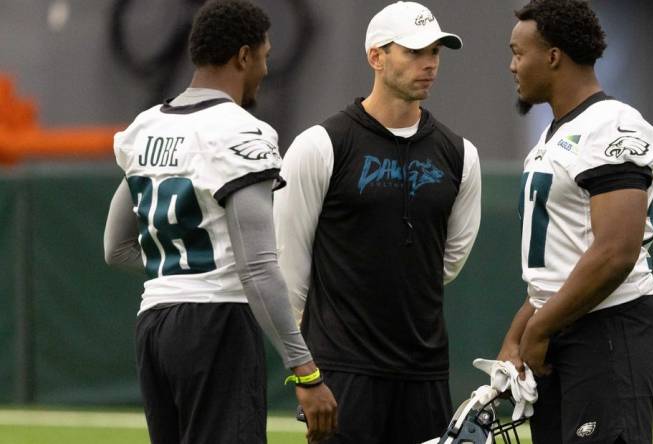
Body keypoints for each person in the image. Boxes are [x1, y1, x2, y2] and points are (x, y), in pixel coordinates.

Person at [103, 1, 336, 442]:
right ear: (243, 56)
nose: (265, 71)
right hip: (216, 326)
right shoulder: (240, 131)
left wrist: (180, 272)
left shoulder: (145, 128)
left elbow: (115, 249)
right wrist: (306, 373)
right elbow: (258, 267)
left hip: (154, 326)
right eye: (264, 57)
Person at [273, 2, 482, 442]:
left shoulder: (460, 153)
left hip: (424, 371)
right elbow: (288, 268)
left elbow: (448, 260)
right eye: (413, 51)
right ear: (376, 56)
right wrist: (306, 373)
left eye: (435, 52)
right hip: (343, 372)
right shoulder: (321, 145)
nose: (429, 64)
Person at [497, 1, 653, 443]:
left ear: (553, 56)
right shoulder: (555, 133)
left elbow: (616, 252)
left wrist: (539, 327)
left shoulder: (611, 126)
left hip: (608, 327)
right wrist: (516, 337)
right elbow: (558, 265)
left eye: (519, 53)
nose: (512, 66)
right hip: (560, 326)